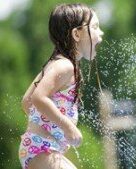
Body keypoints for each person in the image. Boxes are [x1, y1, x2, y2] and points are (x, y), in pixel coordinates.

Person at [18, 3, 104, 169]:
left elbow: (27, 101)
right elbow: (38, 98)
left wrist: (49, 128)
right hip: (41, 148)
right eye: (95, 27)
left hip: (40, 147)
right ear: (77, 34)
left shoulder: (56, 63)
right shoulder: (64, 66)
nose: (101, 33)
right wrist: (67, 126)